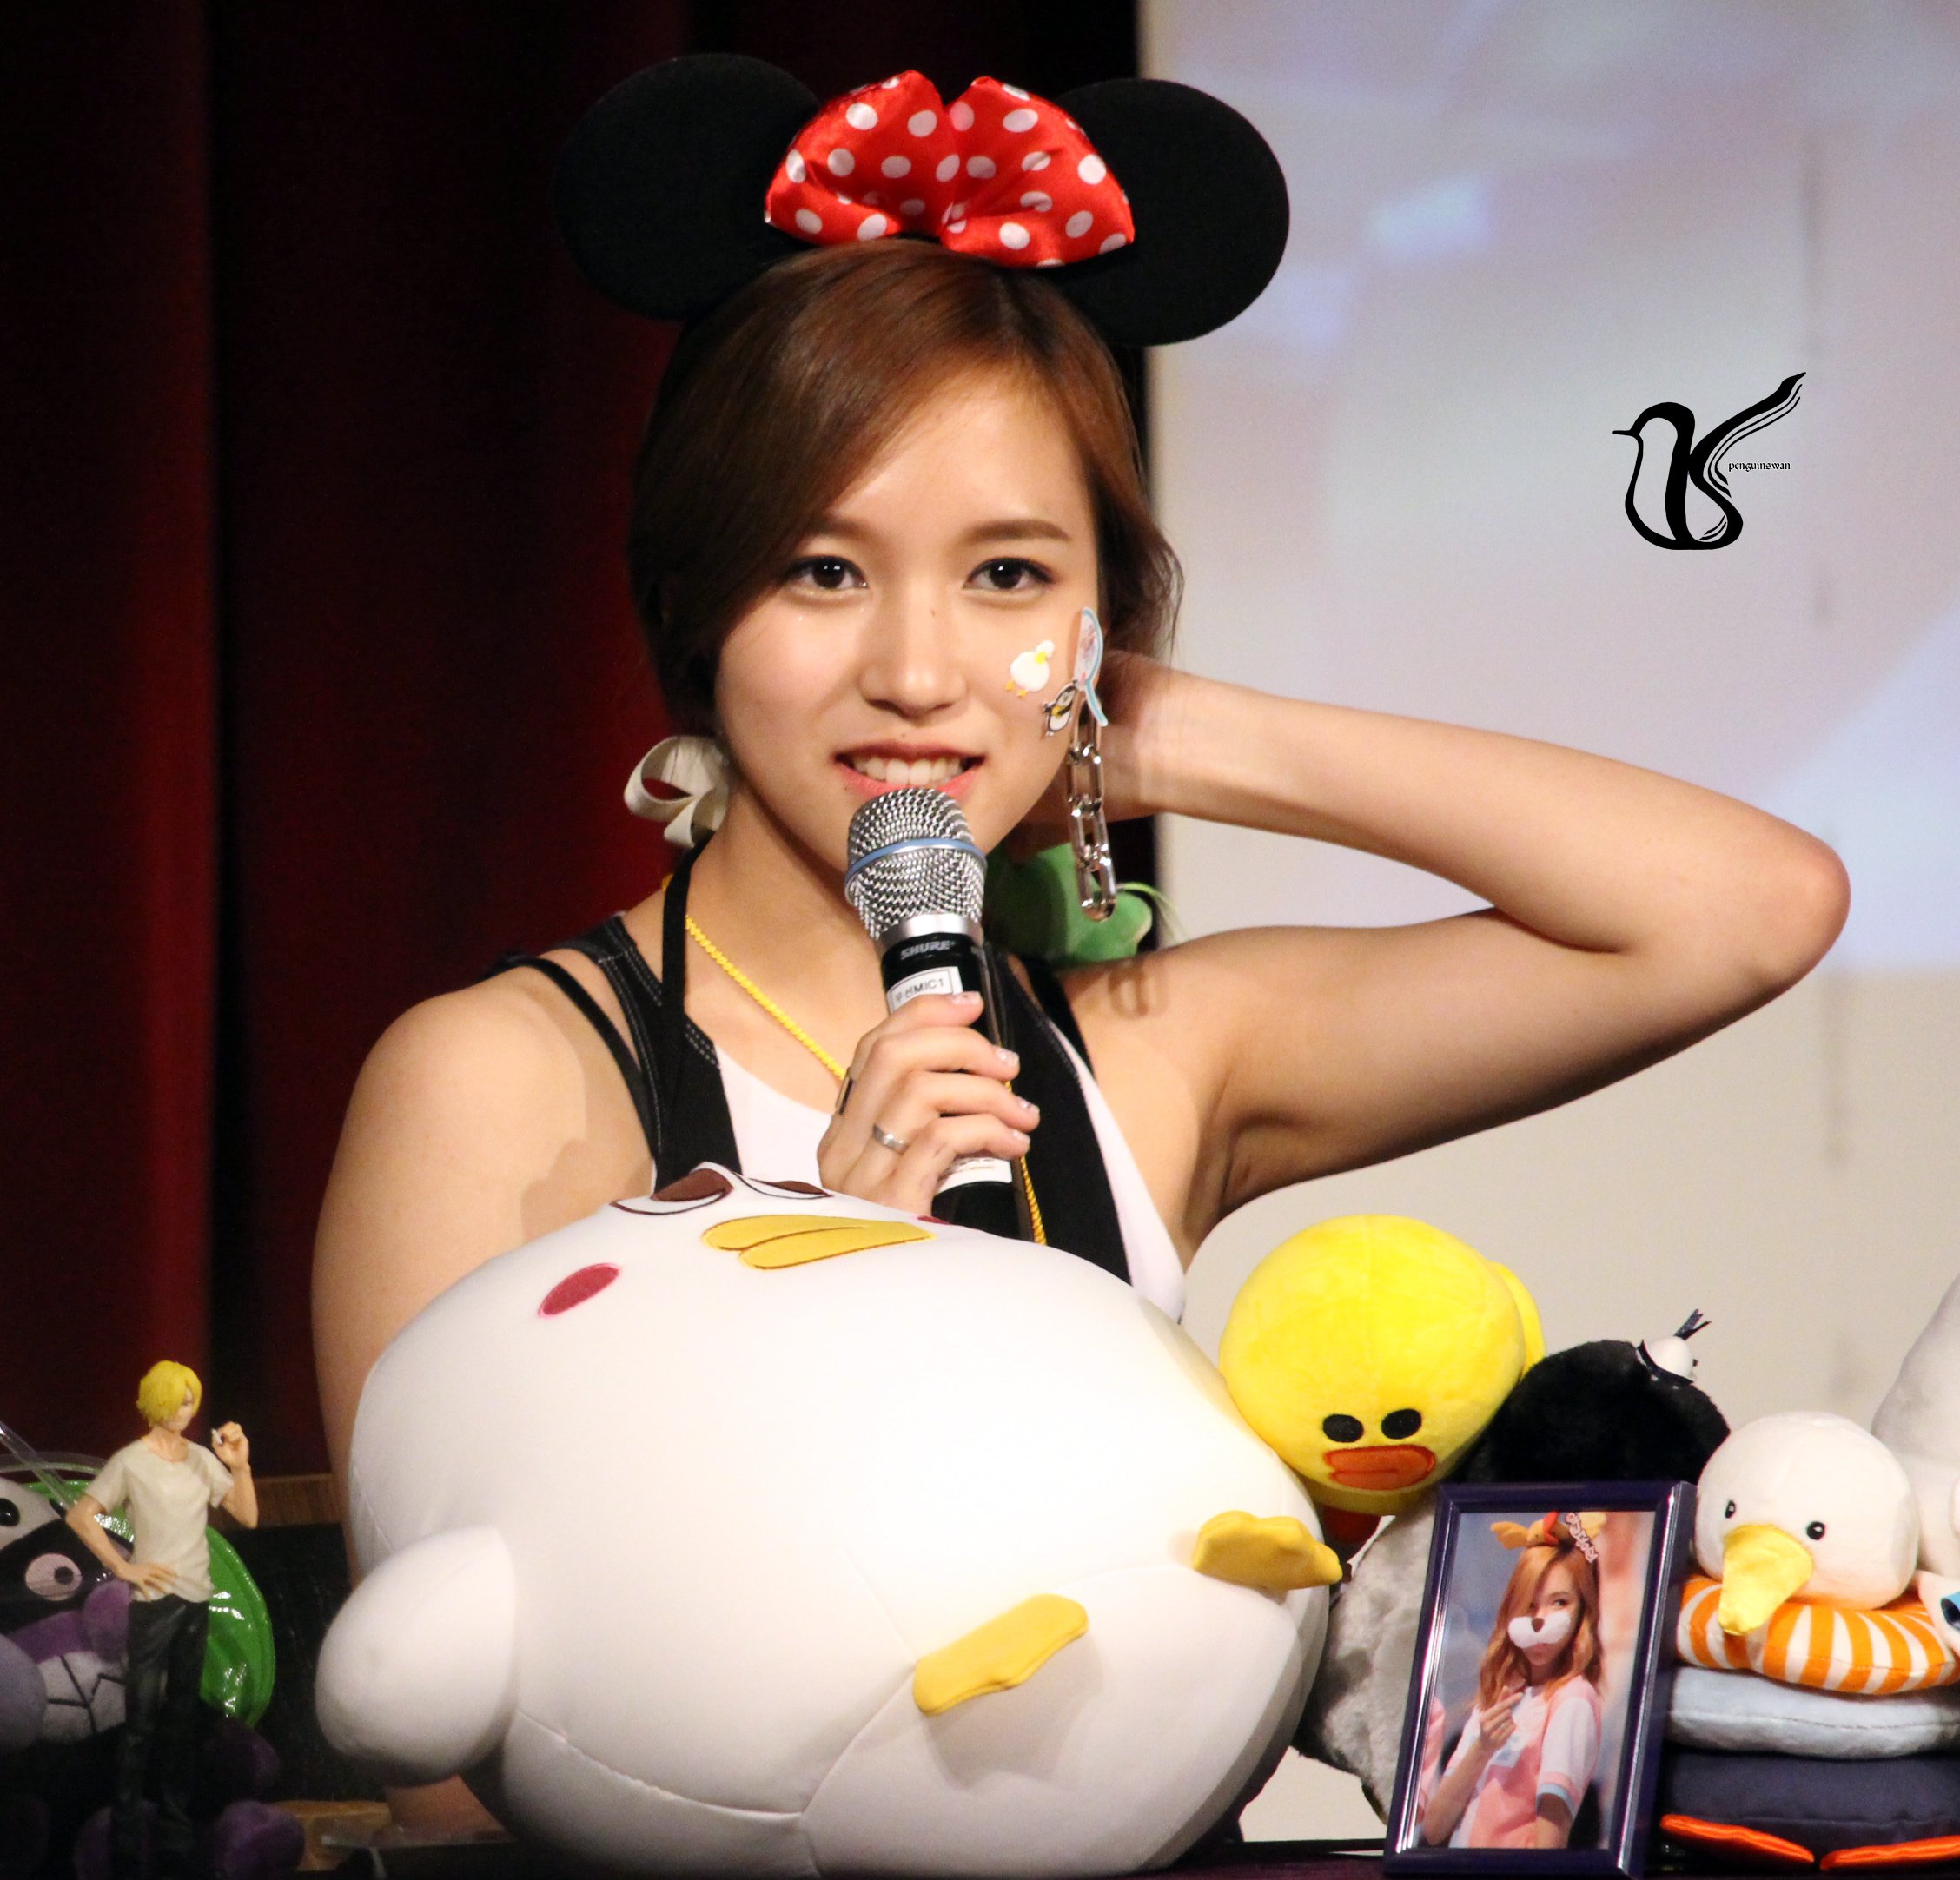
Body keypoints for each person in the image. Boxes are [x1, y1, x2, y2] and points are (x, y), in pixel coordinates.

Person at [311, 60, 1846, 1829]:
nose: (917, 670)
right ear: (693, 601)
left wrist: (1143, 729)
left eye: (1009, 575)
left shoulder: (1150, 1048)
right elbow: (453, 1775)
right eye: (823, 569)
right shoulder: (501, 1075)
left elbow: (1746, 907)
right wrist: (814, 1281)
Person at [66, 1361, 257, 1879]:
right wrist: (124, 1566)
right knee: (141, 1720)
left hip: (195, 1600)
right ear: (156, 1403)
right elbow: (82, 1516)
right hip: (154, 1604)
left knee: (182, 1719)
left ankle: (176, 1828)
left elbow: (247, 1515)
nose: (185, 1411)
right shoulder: (131, 1461)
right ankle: (127, 1830)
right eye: (177, 1401)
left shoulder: (200, 1459)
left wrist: (239, 1466)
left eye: (190, 1400)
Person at [1421, 1514, 1606, 1850]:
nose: (1540, 1619)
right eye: (1529, 1605)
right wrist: (1482, 1748)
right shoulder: (1500, 1696)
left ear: (1582, 1610)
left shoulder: (1573, 1699)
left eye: (1560, 1602)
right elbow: (1434, 1829)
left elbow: (1550, 1844)